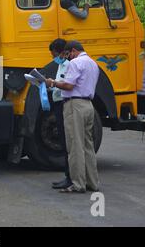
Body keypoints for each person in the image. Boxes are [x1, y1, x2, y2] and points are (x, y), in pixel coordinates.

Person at [46, 41, 100, 193]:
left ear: (73, 51)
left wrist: (53, 83)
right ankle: (92, 182)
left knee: (75, 146)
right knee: (88, 145)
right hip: (89, 106)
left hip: (74, 105)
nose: (67, 57)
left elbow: (69, 85)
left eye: (68, 54)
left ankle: (78, 184)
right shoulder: (93, 64)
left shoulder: (75, 63)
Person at [48, 39, 72, 190]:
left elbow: (66, 85)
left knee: (66, 141)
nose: (53, 57)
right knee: (64, 142)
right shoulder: (61, 64)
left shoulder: (69, 65)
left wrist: (52, 83)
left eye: (55, 54)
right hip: (58, 103)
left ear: (62, 52)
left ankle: (70, 177)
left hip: (64, 104)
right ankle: (67, 175)